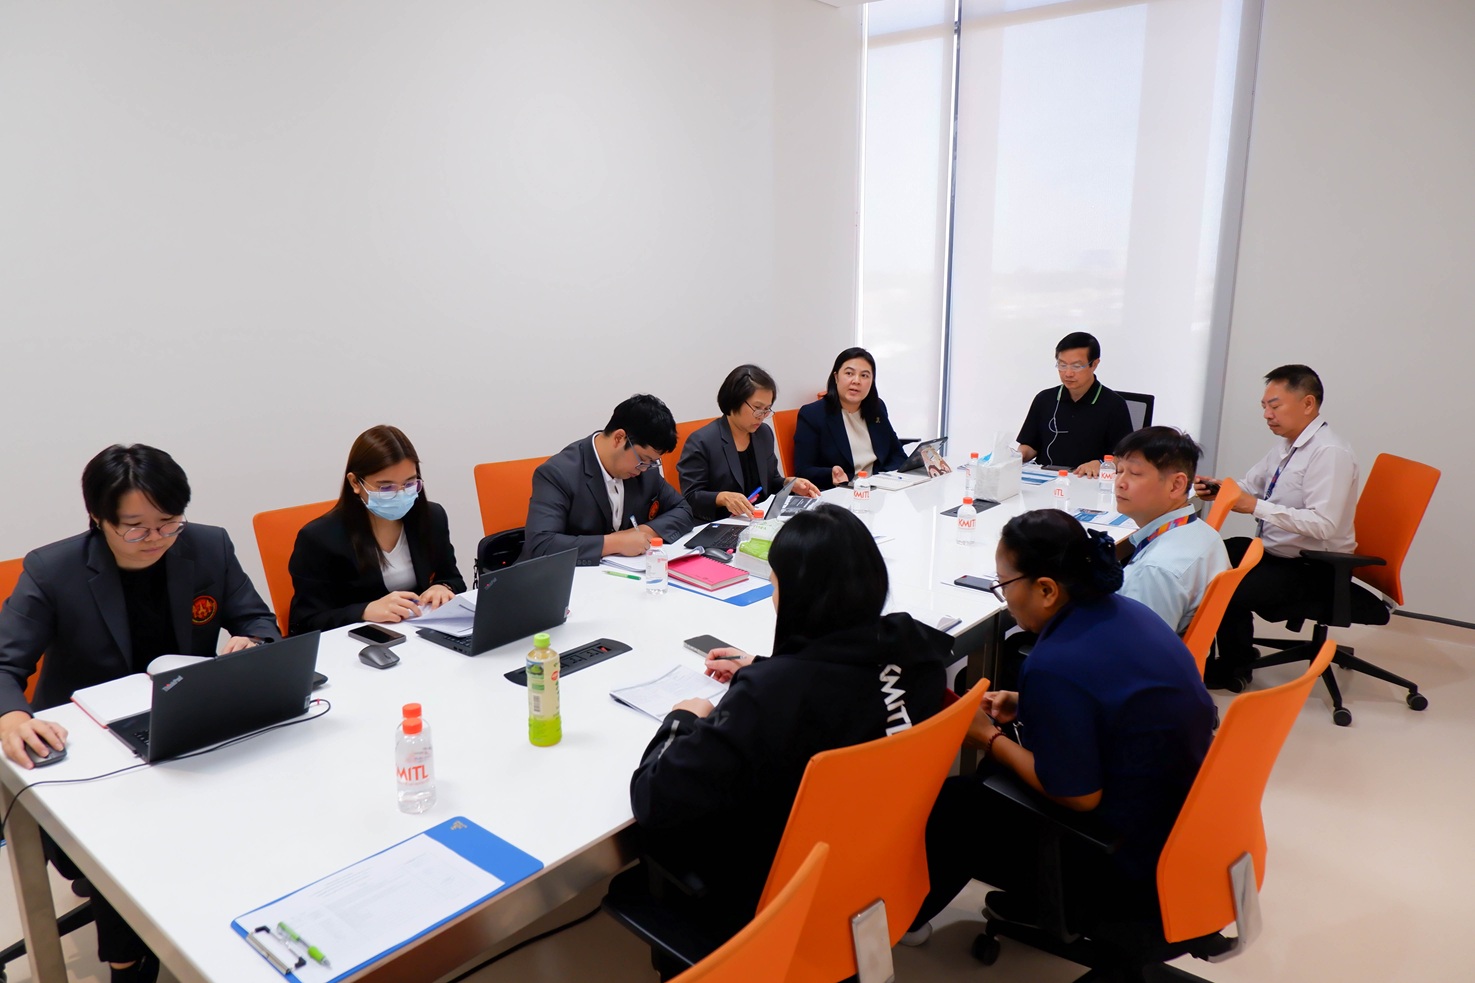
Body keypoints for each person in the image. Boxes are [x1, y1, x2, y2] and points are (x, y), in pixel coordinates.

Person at [0, 444, 280, 983]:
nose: (156, 538)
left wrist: (252, 643)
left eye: (169, 522)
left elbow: (258, 620)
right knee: (123, 842)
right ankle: (127, 965)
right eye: (135, 528)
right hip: (91, 747)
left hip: (184, 725)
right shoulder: (53, 570)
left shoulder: (209, 545)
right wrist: (13, 718)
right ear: (98, 519)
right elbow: (4, 665)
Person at [626, 504, 948, 956]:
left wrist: (682, 719)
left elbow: (654, 799)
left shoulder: (769, 697)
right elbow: (841, 684)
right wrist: (765, 666)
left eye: (775, 584)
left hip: (773, 889)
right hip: (872, 860)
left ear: (797, 596)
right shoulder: (915, 647)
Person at [910, 509, 1214, 940]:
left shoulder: (1055, 665)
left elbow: (1080, 798)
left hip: (1128, 862)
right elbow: (1110, 696)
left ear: (1047, 589)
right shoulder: (1126, 612)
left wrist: (988, 737)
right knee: (997, 775)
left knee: (955, 805)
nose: (1004, 597)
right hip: (1184, 823)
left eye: (1004, 585)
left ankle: (908, 919)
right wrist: (1028, 702)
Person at [1194, 364, 1358, 690]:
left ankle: (1236, 665)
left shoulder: (1329, 453)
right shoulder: (1287, 445)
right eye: (1264, 406)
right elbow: (1250, 486)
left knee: (1227, 588)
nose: (1267, 414)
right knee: (1210, 556)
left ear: (1308, 404)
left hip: (1314, 566)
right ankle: (1217, 651)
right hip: (1277, 551)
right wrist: (1221, 489)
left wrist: (1254, 506)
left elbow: (1323, 525)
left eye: (1275, 406)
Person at [287, 425, 465, 634]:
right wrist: (364, 611)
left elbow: (453, 578)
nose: (400, 494)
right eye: (386, 487)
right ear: (355, 482)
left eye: (409, 484)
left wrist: (443, 587)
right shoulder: (319, 538)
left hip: (419, 635)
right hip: (359, 643)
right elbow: (303, 623)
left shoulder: (432, 517)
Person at [522, 394, 694, 565]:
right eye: (643, 459)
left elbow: (683, 510)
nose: (645, 469)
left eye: (651, 462)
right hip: (569, 575)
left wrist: (643, 532)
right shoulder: (558, 473)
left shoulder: (644, 469)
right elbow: (541, 545)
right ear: (619, 438)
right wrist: (614, 543)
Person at [1112, 427, 1230, 634]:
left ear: (1176, 485)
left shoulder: (1155, 571)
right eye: (1119, 471)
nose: (1120, 483)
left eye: (1135, 473)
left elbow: (1137, 648)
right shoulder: (1204, 533)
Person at [676, 364, 820, 522]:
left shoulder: (763, 433)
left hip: (759, 521)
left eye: (767, 409)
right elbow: (690, 498)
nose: (762, 416)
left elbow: (770, 481)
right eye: (757, 408)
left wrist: (789, 483)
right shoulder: (702, 441)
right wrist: (722, 498)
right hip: (720, 524)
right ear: (734, 400)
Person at [1016, 331, 1135, 477]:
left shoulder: (1114, 405)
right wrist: (1016, 457)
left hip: (1088, 480)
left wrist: (1100, 464)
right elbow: (1030, 446)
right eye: (1062, 365)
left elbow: (1125, 457)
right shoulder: (1044, 399)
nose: (1068, 373)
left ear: (1094, 364)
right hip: (1046, 478)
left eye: (1076, 366)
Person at [793, 347, 908, 489]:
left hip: (878, 489)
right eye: (849, 373)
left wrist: (883, 479)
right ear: (836, 377)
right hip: (841, 492)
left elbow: (896, 454)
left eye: (864, 375)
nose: (856, 381)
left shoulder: (877, 408)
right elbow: (803, 470)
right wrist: (831, 474)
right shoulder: (813, 414)